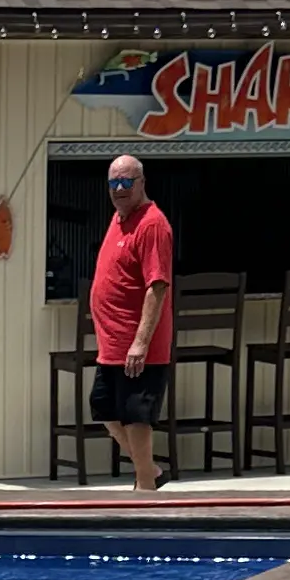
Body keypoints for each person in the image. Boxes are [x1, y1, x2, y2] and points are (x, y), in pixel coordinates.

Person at [89, 153, 175, 491]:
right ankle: (150, 471)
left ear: (142, 183)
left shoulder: (152, 224)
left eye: (127, 182)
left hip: (139, 345)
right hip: (111, 345)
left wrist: (140, 341)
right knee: (105, 410)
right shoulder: (119, 218)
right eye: (114, 183)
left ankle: (144, 490)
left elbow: (158, 285)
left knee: (137, 416)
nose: (120, 189)